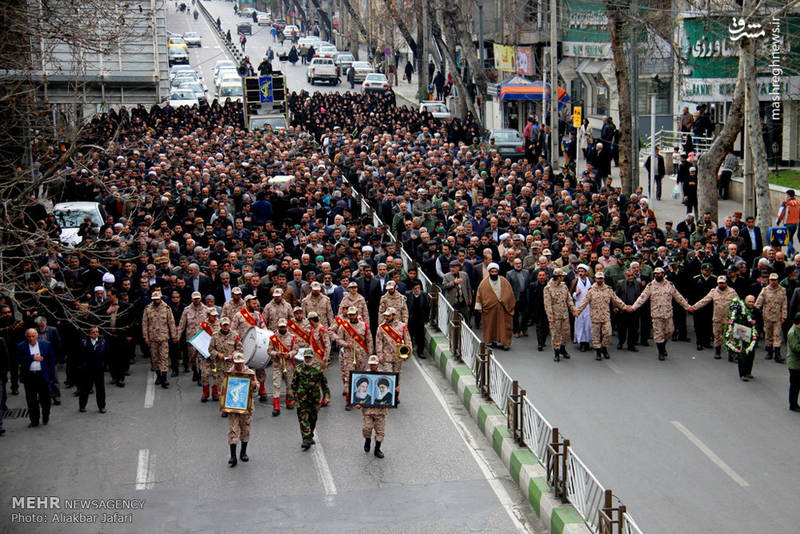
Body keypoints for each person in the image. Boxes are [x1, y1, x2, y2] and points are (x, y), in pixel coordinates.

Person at [630, 267, 693, 360]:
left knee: (669, 332)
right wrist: (633, 307)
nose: (657, 275)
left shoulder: (670, 285)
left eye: (659, 273)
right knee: (658, 334)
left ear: (663, 274)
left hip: (668, 313)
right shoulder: (650, 286)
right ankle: (661, 352)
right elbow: (642, 298)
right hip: (656, 314)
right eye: (655, 273)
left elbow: (678, 297)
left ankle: (663, 346)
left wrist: (687, 307)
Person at [574, 272, 627, 360]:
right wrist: (577, 311)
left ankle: (604, 348)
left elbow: (616, 299)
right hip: (595, 317)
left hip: (605, 316)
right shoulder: (591, 290)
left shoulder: (608, 289)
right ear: (595, 279)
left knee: (608, 333)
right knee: (596, 336)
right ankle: (598, 351)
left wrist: (625, 307)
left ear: (603, 279)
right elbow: (584, 302)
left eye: (601, 278)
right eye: (598, 278)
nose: (600, 280)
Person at [332, 306, 371, 410]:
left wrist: (371, 354)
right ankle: (349, 401)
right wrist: (346, 344)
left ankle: (359, 399)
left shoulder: (364, 326)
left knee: (360, 377)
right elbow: (338, 339)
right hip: (348, 355)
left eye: (353, 314)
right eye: (350, 315)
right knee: (349, 377)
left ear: (357, 314)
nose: (352, 316)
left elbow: (369, 340)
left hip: (361, 355)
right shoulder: (343, 326)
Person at [223, 352, 258, 467]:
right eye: (236, 363)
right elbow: (224, 390)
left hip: (246, 405)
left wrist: (254, 385)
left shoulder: (250, 373)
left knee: (245, 428)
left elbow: (257, 385)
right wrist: (224, 405)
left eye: (240, 363)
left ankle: (243, 452)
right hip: (233, 406)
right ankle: (233, 456)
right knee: (233, 429)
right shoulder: (229, 373)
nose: (238, 365)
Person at [291, 348, 330, 450]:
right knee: (303, 419)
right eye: (306, 357)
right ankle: (306, 439)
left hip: (314, 398)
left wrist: (327, 395)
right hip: (302, 398)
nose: (308, 359)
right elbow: (293, 384)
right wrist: (291, 397)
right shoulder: (298, 369)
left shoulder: (318, 369)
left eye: (309, 357)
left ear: (312, 358)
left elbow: (324, 384)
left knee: (313, 418)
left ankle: (310, 434)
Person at [692, 276, 739, 360]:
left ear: (726, 283)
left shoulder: (732, 292)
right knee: (717, 336)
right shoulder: (713, 292)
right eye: (719, 283)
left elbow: (738, 303)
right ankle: (717, 351)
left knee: (730, 337)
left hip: (729, 318)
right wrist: (694, 307)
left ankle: (731, 354)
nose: (721, 285)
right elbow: (704, 300)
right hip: (717, 318)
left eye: (723, 283)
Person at [17, 328, 56, 427]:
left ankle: (46, 415)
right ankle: (34, 420)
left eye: (33, 336)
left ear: (37, 336)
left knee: (45, 399)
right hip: (29, 376)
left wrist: (52, 377)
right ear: (26, 337)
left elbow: (51, 362)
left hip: (42, 375)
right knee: (31, 400)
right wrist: (32, 358)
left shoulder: (46, 345)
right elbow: (18, 359)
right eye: (29, 336)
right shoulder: (21, 346)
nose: (31, 338)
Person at [356, 355, 392, 458]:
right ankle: (367, 440)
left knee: (380, 431)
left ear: (378, 364)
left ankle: (377, 449)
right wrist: (357, 403)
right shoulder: (364, 375)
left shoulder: (384, 375)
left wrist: (396, 391)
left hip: (380, 411)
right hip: (368, 409)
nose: (373, 366)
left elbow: (391, 394)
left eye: (374, 364)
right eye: (371, 364)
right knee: (367, 428)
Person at [474, 263, 516, 351]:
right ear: (489, 272)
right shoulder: (483, 283)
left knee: (504, 326)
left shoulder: (504, 281)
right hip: (490, 309)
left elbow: (510, 293)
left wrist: (503, 300)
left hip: (503, 308)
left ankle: (505, 343)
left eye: (495, 271)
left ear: (498, 271)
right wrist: (479, 307)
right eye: (492, 271)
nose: (494, 273)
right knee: (490, 325)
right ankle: (490, 341)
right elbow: (479, 295)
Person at [143, 290, 178, 389]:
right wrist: (145, 336)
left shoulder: (166, 308)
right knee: (155, 358)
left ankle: (164, 378)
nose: (156, 301)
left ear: (161, 298)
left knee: (164, 358)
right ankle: (158, 375)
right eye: (154, 299)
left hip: (163, 337)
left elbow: (171, 322)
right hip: (153, 337)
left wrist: (174, 335)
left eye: (157, 299)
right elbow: (145, 323)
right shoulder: (148, 309)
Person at [543, 268, 576, 362]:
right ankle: (556, 352)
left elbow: (569, 299)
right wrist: (550, 317)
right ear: (558, 277)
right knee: (555, 335)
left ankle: (563, 348)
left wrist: (573, 310)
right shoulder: (548, 288)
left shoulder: (564, 286)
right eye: (562, 276)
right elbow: (547, 304)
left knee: (566, 334)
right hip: (555, 315)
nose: (564, 278)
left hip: (564, 314)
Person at [208, 317, 241, 406]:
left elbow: (240, 349)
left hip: (231, 365)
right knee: (222, 386)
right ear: (220, 326)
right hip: (220, 365)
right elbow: (210, 349)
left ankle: (231, 404)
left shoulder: (235, 335)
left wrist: (233, 355)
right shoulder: (215, 336)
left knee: (232, 386)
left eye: (227, 325)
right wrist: (218, 354)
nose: (225, 327)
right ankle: (224, 406)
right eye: (224, 325)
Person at [268, 318, 298, 416]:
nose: (282, 328)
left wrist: (289, 354)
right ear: (278, 327)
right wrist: (277, 353)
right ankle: (276, 406)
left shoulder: (292, 337)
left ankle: (289, 401)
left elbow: (296, 350)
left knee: (289, 384)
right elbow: (269, 351)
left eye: (284, 327)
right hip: (277, 365)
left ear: (286, 327)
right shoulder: (273, 338)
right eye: (280, 327)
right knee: (276, 385)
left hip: (289, 365)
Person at [755, 273, 787, 362]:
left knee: (777, 335)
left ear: (778, 280)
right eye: (771, 280)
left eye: (775, 280)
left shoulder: (782, 290)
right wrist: (754, 311)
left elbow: (784, 304)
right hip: (767, 316)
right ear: (769, 280)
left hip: (778, 316)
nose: (773, 282)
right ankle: (769, 352)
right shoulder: (765, 290)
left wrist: (784, 316)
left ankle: (777, 354)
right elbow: (759, 302)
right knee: (768, 335)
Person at [76, 326, 107, 413]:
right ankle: (82, 405)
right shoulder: (84, 342)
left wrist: (103, 364)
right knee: (84, 388)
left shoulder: (102, 342)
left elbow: (105, 354)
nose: (95, 333)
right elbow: (80, 355)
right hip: (87, 368)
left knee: (100, 389)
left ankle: (102, 406)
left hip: (98, 368)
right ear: (89, 333)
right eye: (93, 332)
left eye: (97, 332)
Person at [505, 258, 530, 338]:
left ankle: (524, 328)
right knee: (515, 315)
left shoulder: (526, 272)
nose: (518, 265)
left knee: (526, 314)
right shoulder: (509, 274)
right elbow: (508, 287)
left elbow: (528, 284)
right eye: (516, 263)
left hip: (524, 295)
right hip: (515, 296)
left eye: (520, 263)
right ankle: (516, 330)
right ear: (513, 264)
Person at [572, 264, 593, 351]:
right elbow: (571, 294)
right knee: (580, 323)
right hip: (579, 304)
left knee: (588, 324)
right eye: (579, 271)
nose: (580, 273)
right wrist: (576, 294)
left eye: (582, 271)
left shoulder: (590, 280)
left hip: (588, 306)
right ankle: (581, 342)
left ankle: (587, 341)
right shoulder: (575, 281)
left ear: (586, 272)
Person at [787, 313, 800, 412]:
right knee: (795, 385)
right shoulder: (792, 333)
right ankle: (793, 404)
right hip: (795, 364)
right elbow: (796, 348)